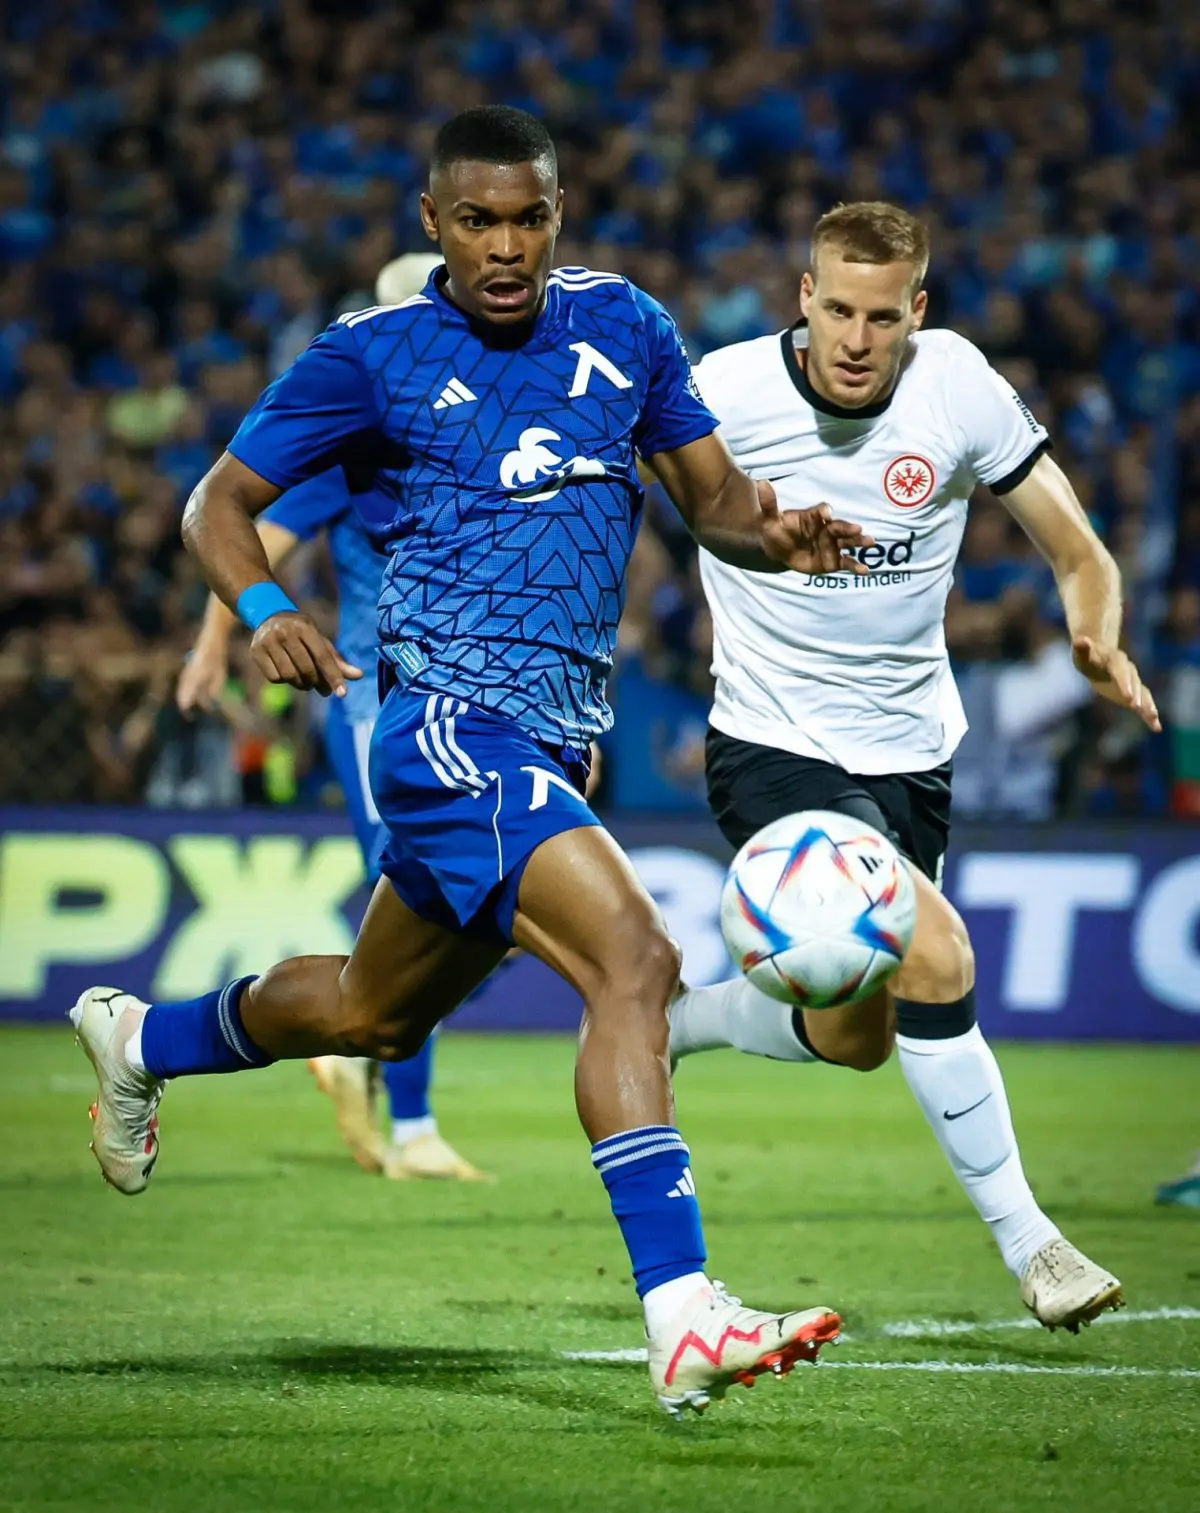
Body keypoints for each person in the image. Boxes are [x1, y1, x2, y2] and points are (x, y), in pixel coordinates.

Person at [69, 106, 868, 1416]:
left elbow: (717, 503)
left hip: (559, 740)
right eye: (479, 221)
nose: (506, 247)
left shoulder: (627, 327)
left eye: (529, 219)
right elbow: (219, 503)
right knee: (637, 962)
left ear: (559, 217)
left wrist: (777, 536)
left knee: (372, 1015)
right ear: (432, 223)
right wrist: (263, 612)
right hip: (449, 726)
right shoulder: (368, 355)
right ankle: (682, 1314)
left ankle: (140, 1036)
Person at [668, 201, 1161, 1333]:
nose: (855, 338)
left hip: (911, 755)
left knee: (856, 1035)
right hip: (774, 743)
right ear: (804, 297)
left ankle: (681, 1019)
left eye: (881, 317)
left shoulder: (958, 387)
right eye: (837, 309)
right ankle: (1036, 1247)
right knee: (935, 953)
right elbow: (618, 502)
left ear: (916, 312)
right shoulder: (723, 391)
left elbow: (1078, 550)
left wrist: (1096, 634)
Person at [177, 253, 486, 1184]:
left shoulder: (478, 428)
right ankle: (413, 1124)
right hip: (377, 705)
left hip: (478, 703)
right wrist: (214, 643)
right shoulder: (368, 432)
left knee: (474, 909)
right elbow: (254, 536)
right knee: (431, 895)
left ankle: (351, 1042)